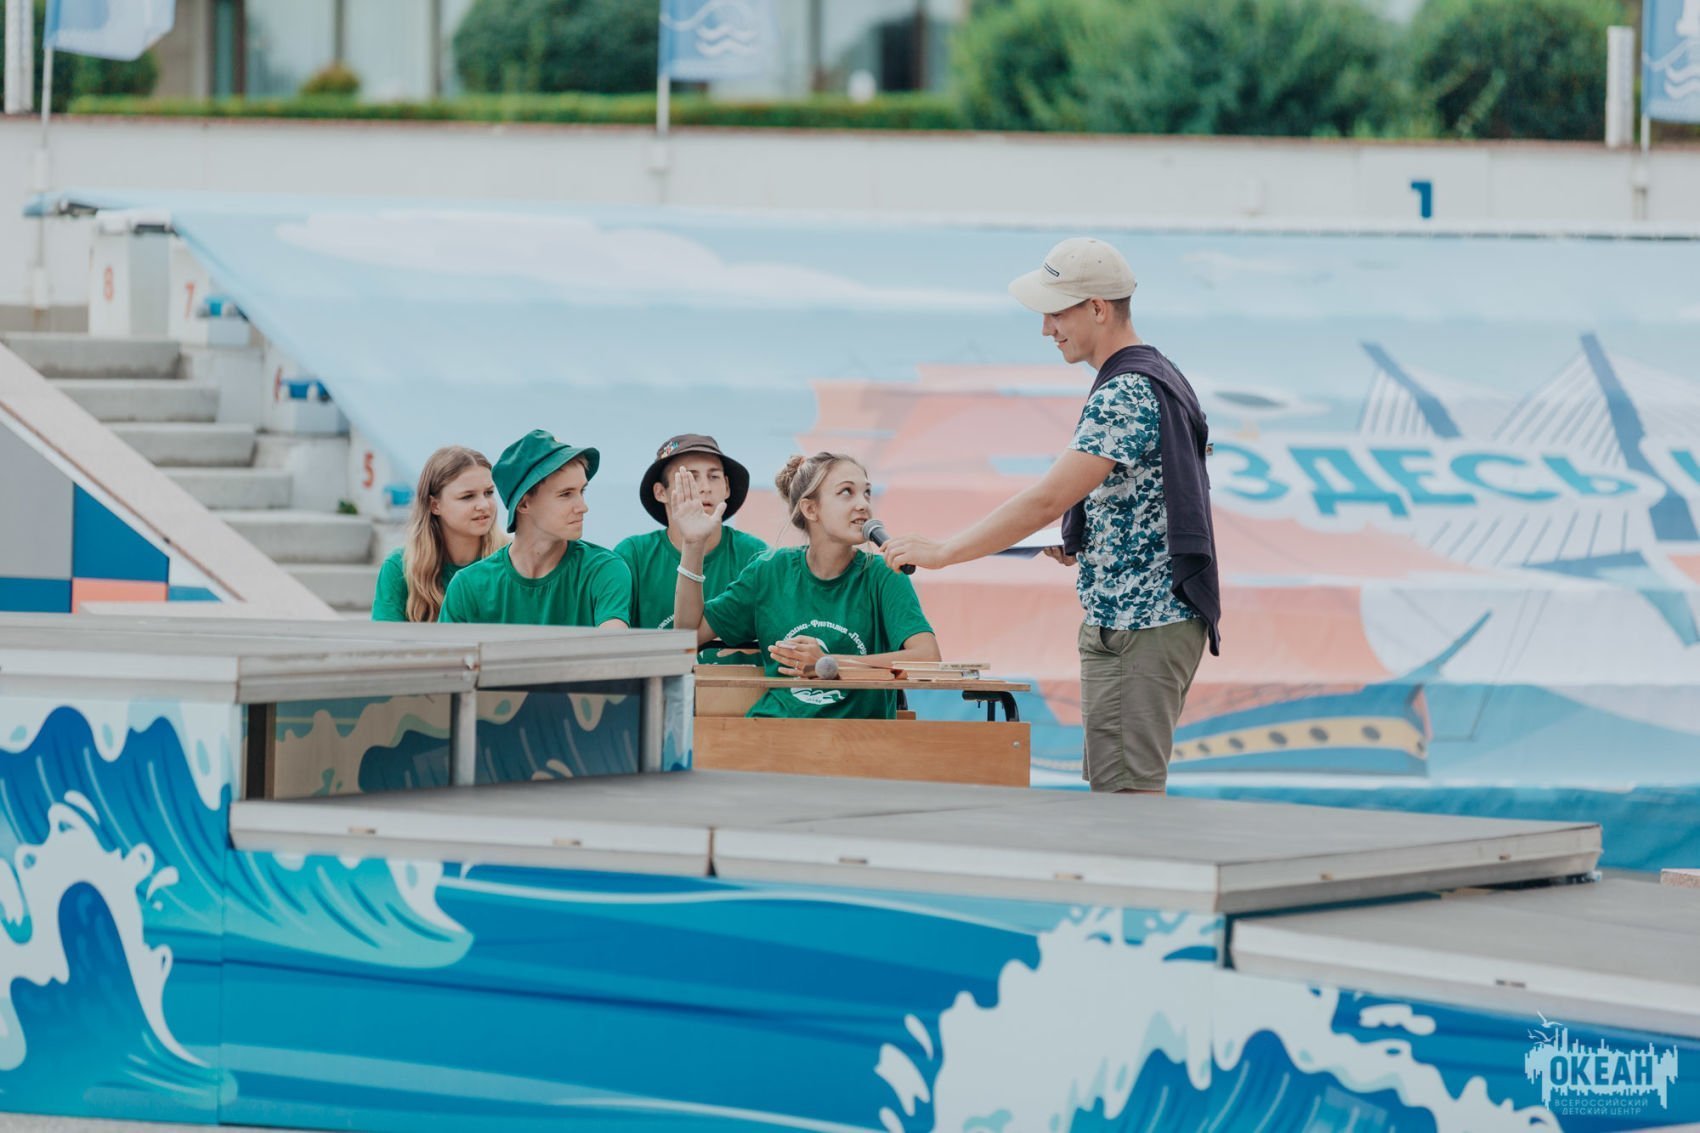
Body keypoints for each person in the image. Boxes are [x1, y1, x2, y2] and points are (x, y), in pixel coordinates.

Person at [880, 237, 1220, 793]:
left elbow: (1046, 498)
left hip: (1138, 626)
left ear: (1098, 308)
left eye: (1056, 312)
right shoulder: (1157, 372)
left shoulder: (1124, 391)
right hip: (1145, 623)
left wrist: (943, 552)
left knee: (1126, 799)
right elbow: (1147, 493)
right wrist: (1087, 535)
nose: (1046, 328)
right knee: (1120, 790)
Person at [671, 451, 940, 719]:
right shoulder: (769, 571)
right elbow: (688, 634)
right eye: (847, 492)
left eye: (866, 493)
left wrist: (829, 663)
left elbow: (927, 658)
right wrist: (693, 545)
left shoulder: (884, 575)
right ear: (810, 509)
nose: (863, 504)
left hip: (858, 739)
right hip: (774, 731)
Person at [439, 429, 631, 627]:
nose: (583, 507)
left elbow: (614, 643)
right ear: (523, 504)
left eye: (581, 491)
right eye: (566, 494)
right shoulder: (467, 587)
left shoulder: (605, 570)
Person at [614, 434, 768, 663]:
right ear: (660, 492)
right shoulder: (633, 555)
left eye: (714, 476)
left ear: (727, 487)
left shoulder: (755, 555)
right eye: (690, 477)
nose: (705, 488)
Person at [371, 445, 502, 622]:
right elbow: (385, 638)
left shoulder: (513, 561)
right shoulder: (399, 568)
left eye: (489, 493)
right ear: (435, 505)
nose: (484, 505)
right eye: (467, 496)